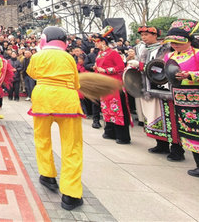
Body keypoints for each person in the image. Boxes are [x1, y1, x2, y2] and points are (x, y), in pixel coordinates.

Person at [27, 26, 84, 211]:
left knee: (42, 139)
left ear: (44, 39)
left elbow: (32, 73)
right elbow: (76, 82)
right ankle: (71, 194)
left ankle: (47, 175)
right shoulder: (68, 57)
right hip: (67, 100)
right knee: (72, 146)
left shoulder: (37, 56)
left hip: (42, 98)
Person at [163, 20, 199, 179]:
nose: (174, 45)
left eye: (178, 42)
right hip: (182, 99)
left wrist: (190, 75)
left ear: (189, 40)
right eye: (172, 42)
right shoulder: (169, 56)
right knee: (191, 132)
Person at [135, 26, 184, 161]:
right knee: (154, 116)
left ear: (155, 35)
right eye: (142, 35)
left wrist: (145, 67)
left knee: (170, 118)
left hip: (164, 88)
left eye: (146, 35)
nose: (143, 37)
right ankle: (161, 144)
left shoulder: (166, 48)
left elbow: (165, 66)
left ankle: (177, 149)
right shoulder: (144, 49)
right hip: (149, 87)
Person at [93, 27, 131, 144]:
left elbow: (121, 67)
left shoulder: (113, 52)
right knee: (106, 108)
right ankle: (110, 131)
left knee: (117, 109)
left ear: (103, 42)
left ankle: (122, 135)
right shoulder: (100, 53)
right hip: (104, 84)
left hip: (114, 84)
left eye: (97, 42)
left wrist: (106, 70)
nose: (95, 44)